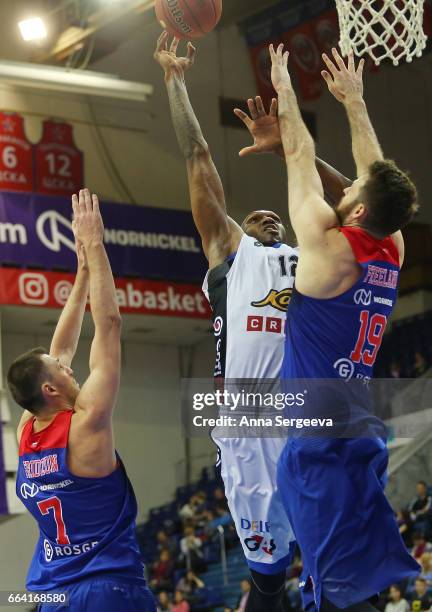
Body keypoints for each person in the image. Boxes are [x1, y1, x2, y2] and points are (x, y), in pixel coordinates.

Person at [154, 31, 351, 612]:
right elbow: (198, 160)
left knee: (331, 567)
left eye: (278, 216)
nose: (269, 216)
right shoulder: (232, 255)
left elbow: (366, 203)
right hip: (245, 421)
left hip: (308, 410)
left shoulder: (316, 254)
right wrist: (175, 81)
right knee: (268, 577)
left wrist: (295, 147)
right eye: (256, 214)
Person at [269, 43, 420, 610]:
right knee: (356, 580)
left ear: (355, 212)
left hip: (322, 436)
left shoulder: (329, 250)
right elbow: (371, 175)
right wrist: (355, 104)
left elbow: (299, 160)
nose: (344, 189)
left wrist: (286, 90)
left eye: (350, 193)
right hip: (357, 428)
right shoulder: (392, 247)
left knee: (334, 590)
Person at [9, 190, 156, 611]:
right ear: (51, 390)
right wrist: (94, 244)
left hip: (51, 593)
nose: (68, 366)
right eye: (59, 369)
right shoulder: (88, 421)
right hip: (106, 588)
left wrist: (82, 273)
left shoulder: (26, 430)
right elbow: (108, 324)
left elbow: (62, 346)